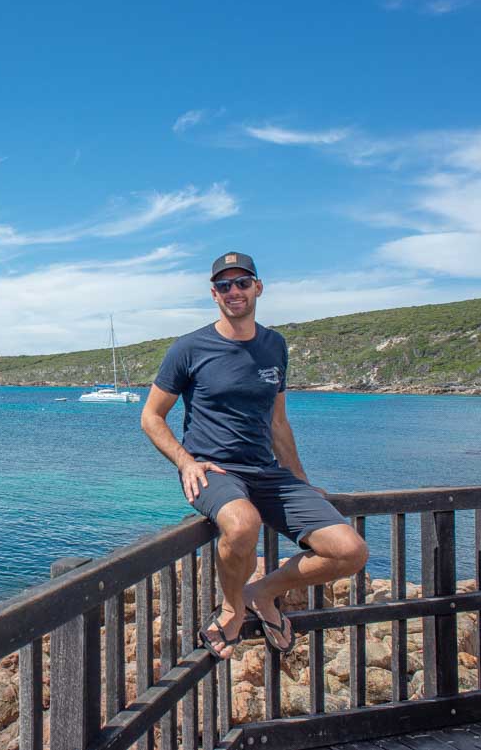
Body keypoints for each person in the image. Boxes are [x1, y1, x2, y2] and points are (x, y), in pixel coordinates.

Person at [139, 251, 368, 659]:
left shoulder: (274, 345)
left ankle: (260, 593)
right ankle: (230, 608)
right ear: (214, 294)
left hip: (267, 473)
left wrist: (298, 480)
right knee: (243, 525)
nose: (234, 291)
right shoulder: (189, 348)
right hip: (213, 471)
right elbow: (152, 417)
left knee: (350, 551)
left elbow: (278, 422)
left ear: (258, 287)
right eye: (224, 286)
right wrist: (185, 461)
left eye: (242, 282)